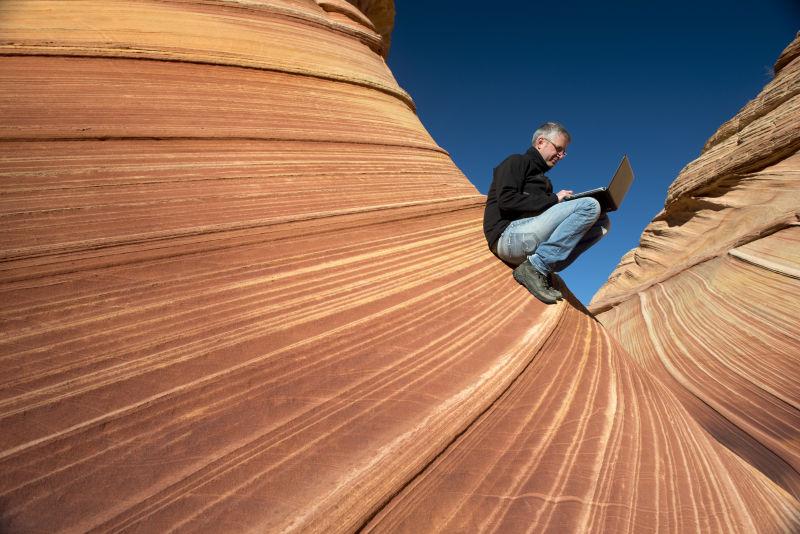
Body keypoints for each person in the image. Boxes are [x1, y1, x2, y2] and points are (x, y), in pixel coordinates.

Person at [483, 122, 610, 304]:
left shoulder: (545, 182)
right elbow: (507, 201)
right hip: (506, 238)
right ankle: (535, 268)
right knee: (589, 206)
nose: (560, 156)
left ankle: (545, 264)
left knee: (603, 221)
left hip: (528, 239)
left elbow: (539, 213)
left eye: (563, 152)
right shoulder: (516, 162)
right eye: (558, 149)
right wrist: (554, 200)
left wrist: (560, 203)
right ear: (541, 142)